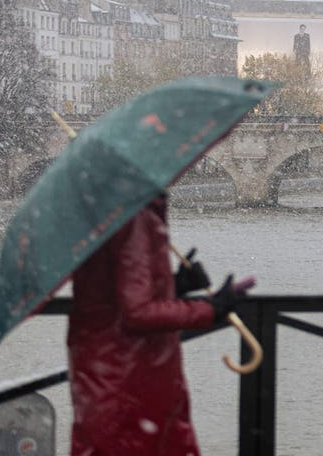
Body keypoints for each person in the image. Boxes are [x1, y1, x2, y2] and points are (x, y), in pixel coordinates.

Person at [67, 193, 249, 455]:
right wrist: (210, 309)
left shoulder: (102, 215)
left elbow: (112, 298)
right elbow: (137, 314)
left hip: (103, 371)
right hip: (132, 375)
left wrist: (175, 285)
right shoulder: (133, 217)